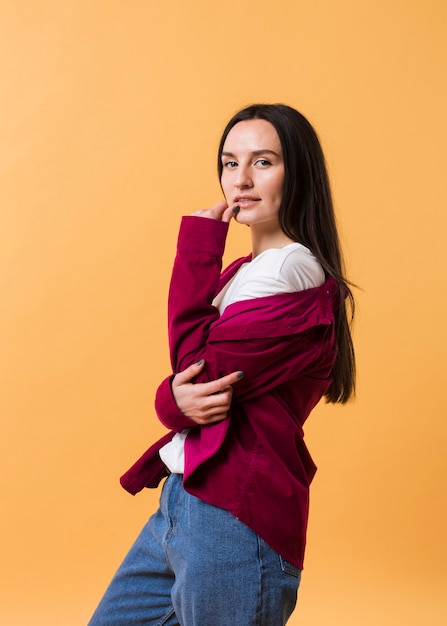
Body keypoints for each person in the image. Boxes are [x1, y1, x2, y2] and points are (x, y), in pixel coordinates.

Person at [88, 103, 355, 626]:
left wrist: (197, 244)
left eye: (263, 162)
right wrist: (175, 400)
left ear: (297, 173)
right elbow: (195, 378)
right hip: (185, 500)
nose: (241, 179)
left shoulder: (289, 271)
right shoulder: (248, 273)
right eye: (230, 163)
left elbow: (196, 371)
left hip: (233, 516)